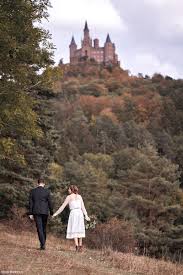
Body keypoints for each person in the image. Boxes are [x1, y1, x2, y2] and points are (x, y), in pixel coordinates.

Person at [52, 185, 90, 252]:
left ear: (71, 190)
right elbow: (83, 207)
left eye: (69, 189)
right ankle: (80, 246)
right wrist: (86, 215)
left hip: (74, 213)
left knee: (75, 228)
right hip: (80, 213)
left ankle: (77, 246)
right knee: (80, 228)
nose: (68, 190)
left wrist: (56, 213)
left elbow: (62, 207)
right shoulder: (79, 196)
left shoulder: (69, 197)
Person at [29, 178, 53, 250]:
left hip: (36, 212)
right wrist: (51, 212)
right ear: (44, 184)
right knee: (44, 228)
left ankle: (42, 244)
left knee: (39, 228)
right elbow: (50, 203)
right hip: (45, 212)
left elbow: (31, 203)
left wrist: (30, 213)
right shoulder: (47, 191)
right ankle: (43, 244)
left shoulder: (33, 191)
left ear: (37, 183)